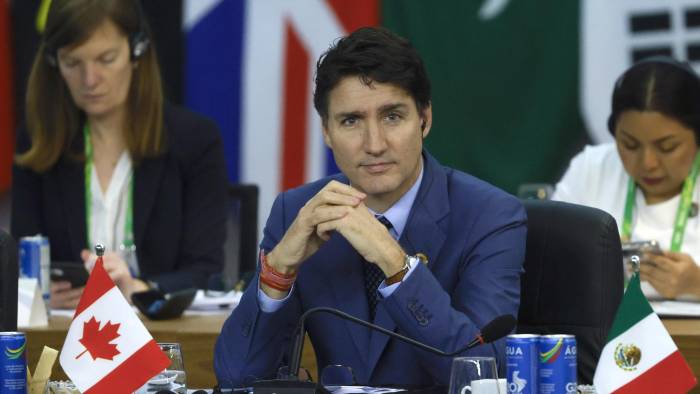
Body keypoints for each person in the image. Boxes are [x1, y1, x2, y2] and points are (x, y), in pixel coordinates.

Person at [214, 27, 526, 388]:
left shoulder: (491, 216)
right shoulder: (296, 211)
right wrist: (279, 269)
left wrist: (394, 264)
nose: (374, 144)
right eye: (351, 121)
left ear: (424, 119)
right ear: (327, 132)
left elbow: (485, 374)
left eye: (392, 116)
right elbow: (236, 379)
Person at [11, 0, 227, 308]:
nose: (89, 79)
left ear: (137, 52)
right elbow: (21, 260)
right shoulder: (38, 140)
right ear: (53, 63)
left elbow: (206, 271)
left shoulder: (195, 140)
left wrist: (140, 287)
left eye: (106, 59)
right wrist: (37, 292)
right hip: (68, 333)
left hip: (163, 335)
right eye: (73, 63)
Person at [553, 57, 700, 300]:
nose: (648, 163)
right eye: (630, 145)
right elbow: (544, 265)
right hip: (604, 336)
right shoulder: (592, 168)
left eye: (667, 147)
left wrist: (696, 284)